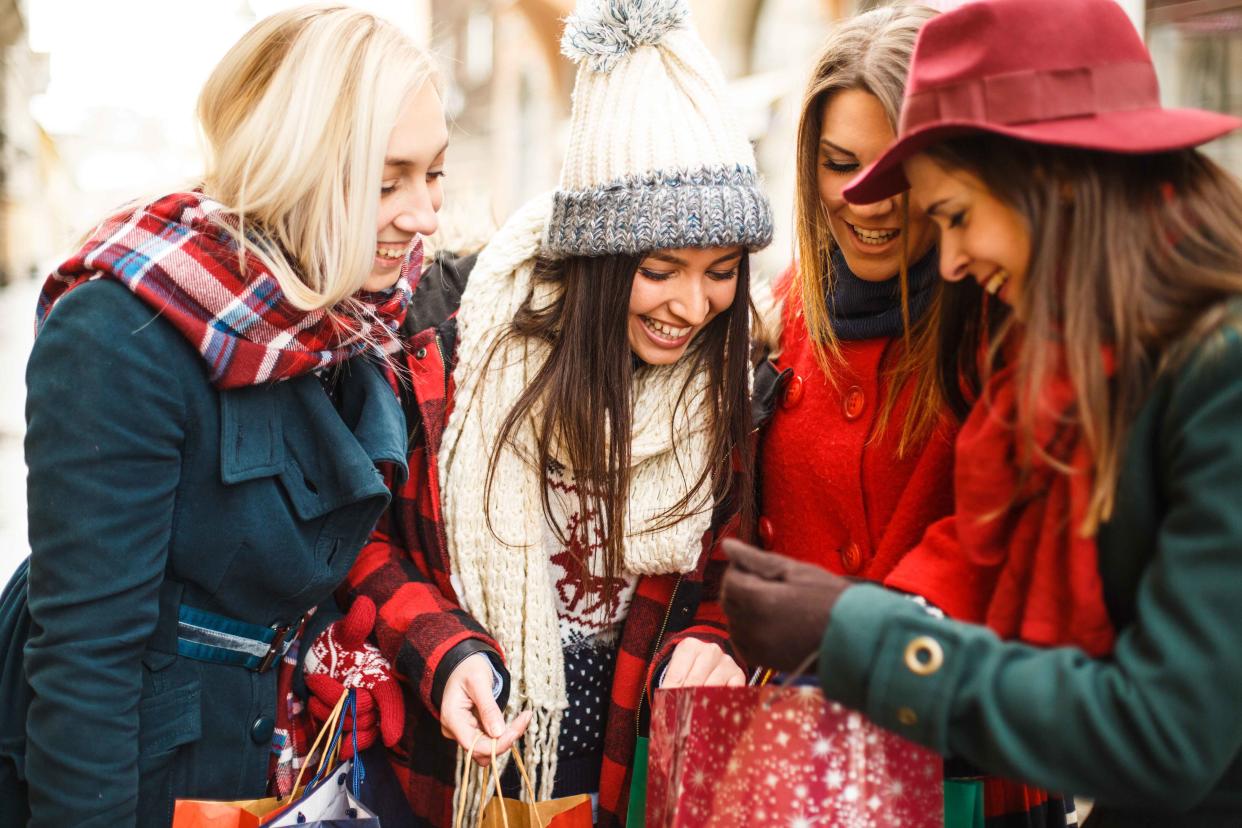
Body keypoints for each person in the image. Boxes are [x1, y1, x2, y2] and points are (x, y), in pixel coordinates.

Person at [721, 1, 1242, 825]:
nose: (953, 255)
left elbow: (1167, 732)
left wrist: (859, 633)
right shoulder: (1099, 356)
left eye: (956, 215)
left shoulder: (1215, 370)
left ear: (1051, 180)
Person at [302, 1, 773, 826]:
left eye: (722, 270)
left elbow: (729, 570)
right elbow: (362, 539)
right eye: (661, 269)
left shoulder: (729, 389)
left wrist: (721, 638)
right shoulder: (451, 343)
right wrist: (446, 654)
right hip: (454, 773)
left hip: (634, 775)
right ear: (596, 258)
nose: (693, 306)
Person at [7, 6, 446, 825]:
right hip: (147, 784)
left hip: (282, 772)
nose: (423, 214)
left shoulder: (347, 315)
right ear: (298, 165)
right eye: (388, 181)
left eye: (434, 175)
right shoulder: (120, 333)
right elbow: (85, 666)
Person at [752, 6, 1068, 825]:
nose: (868, 200)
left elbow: (1005, 548)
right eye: (839, 163)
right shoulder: (778, 316)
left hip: (968, 769)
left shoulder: (1009, 315)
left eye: (897, 168)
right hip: (805, 764)